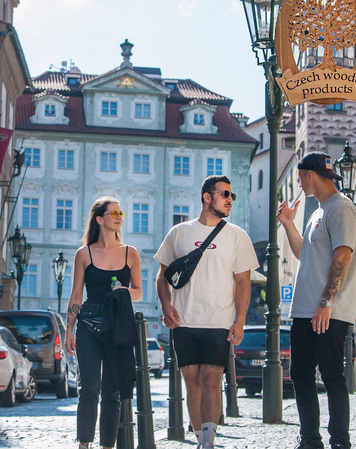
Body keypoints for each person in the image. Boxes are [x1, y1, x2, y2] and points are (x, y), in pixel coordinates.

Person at [155, 175, 258, 449]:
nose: (229, 200)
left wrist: (240, 320)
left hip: (219, 321)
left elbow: (243, 282)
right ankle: (200, 440)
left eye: (231, 196)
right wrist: (166, 308)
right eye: (225, 194)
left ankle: (209, 443)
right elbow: (161, 277)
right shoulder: (179, 233)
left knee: (211, 380)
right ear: (206, 197)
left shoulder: (238, 236)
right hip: (184, 321)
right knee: (192, 384)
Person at [276, 151, 356, 449]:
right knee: (300, 374)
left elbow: (343, 255)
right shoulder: (317, 212)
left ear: (310, 175)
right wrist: (288, 224)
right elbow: (305, 254)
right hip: (304, 310)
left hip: (328, 311)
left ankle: (340, 441)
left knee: (332, 375)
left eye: (300, 177)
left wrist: (326, 302)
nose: (300, 183)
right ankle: (310, 440)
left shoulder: (341, 208)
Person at [64, 197, 143, 449]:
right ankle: (84, 445)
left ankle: (108, 446)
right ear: (100, 219)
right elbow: (76, 295)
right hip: (87, 323)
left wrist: (123, 291)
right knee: (89, 387)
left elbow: (139, 291)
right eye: (114, 213)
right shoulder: (83, 254)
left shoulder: (131, 253)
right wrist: (69, 330)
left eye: (121, 213)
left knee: (112, 390)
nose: (119, 217)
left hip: (117, 325)